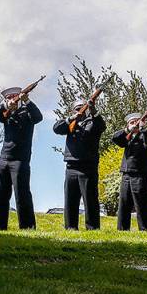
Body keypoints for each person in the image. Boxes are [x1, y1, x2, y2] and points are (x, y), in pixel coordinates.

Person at [0, 86, 43, 230]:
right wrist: (6, 106)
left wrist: (27, 101)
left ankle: (27, 227)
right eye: (9, 97)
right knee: (0, 195)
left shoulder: (27, 112)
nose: (12, 99)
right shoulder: (5, 113)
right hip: (4, 158)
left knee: (22, 195)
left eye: (14, 96)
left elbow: (38, 117)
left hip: (20, 159)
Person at [53, 98, 106, 230]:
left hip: (88, 166)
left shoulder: (93, 122)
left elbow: (101, 125)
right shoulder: (71, 122)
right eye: (77, 108)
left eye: (82, 108)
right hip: (71, 166)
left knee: (90, 200)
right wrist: (72, 118)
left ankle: (92, 228)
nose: (80, 111)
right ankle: (70, 227)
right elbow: (57, 128)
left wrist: (93, 109)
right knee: (70, 200)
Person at [111, 112, 147, 231]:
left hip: (141, 174)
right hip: (126, 173)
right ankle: (122, 229)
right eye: (132, 122)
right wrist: (127, 130)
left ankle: (146, 229)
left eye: (137, 121)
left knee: (142, 204)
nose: (134, 124)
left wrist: (143, 129)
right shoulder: (127, 137)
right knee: (124, 204)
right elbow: (115, 138)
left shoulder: (146, 134)